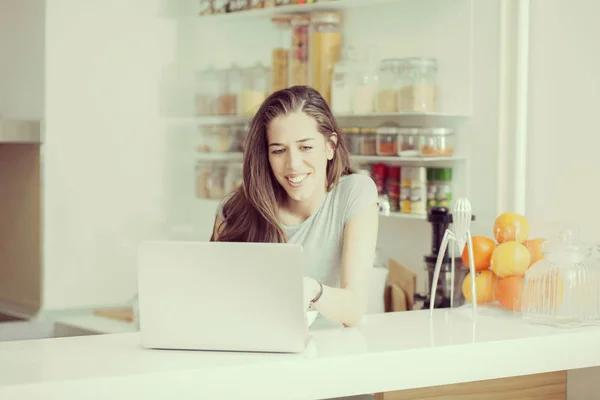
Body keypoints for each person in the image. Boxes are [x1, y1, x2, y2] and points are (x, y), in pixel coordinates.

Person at [210, 85, 379, 328]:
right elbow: (216, 302)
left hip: (328, 355)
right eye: (278, 150)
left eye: (306, 147)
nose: (293, 164)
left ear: (330, 146)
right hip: (253, 352)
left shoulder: (355, 193)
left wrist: (312, 290)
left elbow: (353, 309)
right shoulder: (233, 211)